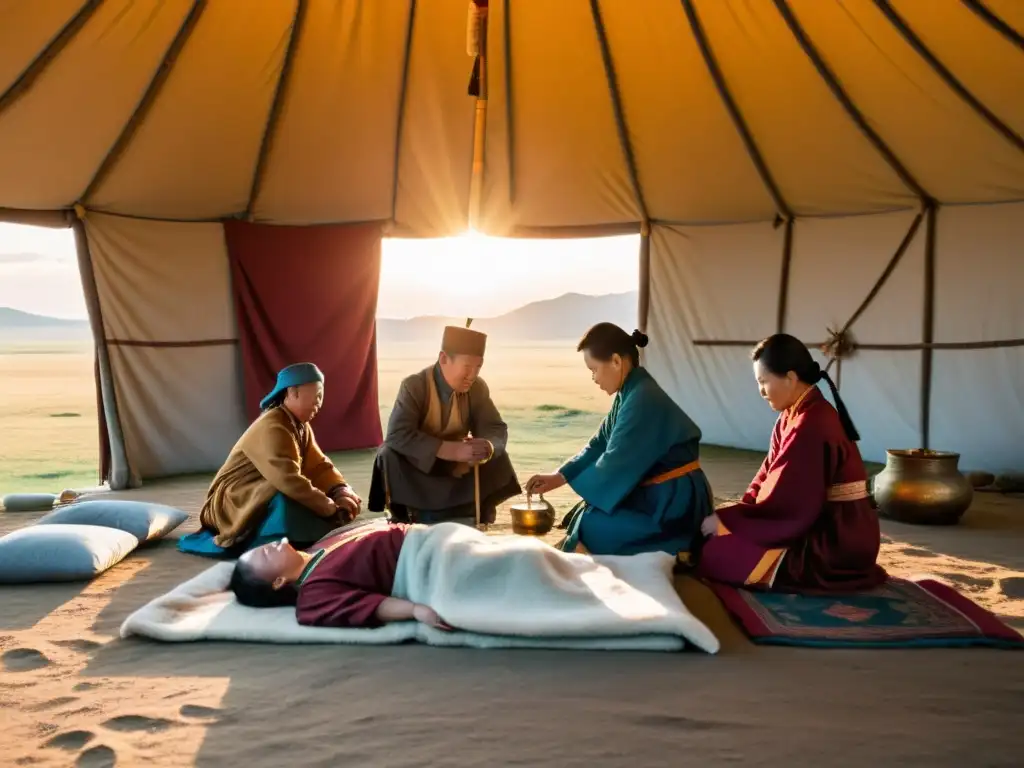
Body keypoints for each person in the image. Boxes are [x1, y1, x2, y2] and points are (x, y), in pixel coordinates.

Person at [695, 333, 887, 592]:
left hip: (836, 541)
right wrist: (740, 513)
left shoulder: (813, 423)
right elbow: (767, 475)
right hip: (819, 525)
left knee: (715, 553)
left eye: (764, 381)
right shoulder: (793, 414)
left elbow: (786, 501)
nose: (761, 391)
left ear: (791, 377)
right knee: (720, 539)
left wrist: (729, 521)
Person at [525, 323, 713, 558]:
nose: (593, 378)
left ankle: (677, 545)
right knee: (584, 513)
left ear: (616, 361)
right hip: (659, 496)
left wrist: (574, 481)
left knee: (590, 524)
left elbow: (615, 461)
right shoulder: (630, 391)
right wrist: (559, 476)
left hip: (673, 506)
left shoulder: (642, 398)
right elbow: (599, 444)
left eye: (594, 369)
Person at [178, 363, 361, 558]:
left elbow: (319, 466)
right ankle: (274, 541)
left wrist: (340, 490)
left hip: (262, 490)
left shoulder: (299, 425)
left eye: (321, 398)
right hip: (231, 502)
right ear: (293, 393)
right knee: (285, 493)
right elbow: (288, 480)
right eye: (316, 397)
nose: (319, 403)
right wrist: (330, 508)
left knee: (302, 492)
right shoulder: (273, 425)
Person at [367, 322, 521, 526]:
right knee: (389, 454)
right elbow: (398, 434)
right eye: (467, 366)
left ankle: (475, 511)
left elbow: (494, 427)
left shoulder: (477, 387)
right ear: (444, 359)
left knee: (496, 455)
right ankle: (409, 514)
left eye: (478, 367)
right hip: (420, 461)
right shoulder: (415, 386)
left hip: (459, 463)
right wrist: (448, 450)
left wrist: (487, 447)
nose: (472, 375)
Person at [229, 518, 451, 629]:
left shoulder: (316, 548)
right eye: (266, 555)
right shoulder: (313, 595)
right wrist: (414, 610)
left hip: (430, 535)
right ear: (278, 581)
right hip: (420, 561)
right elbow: (364, 606)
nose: (269, 545)